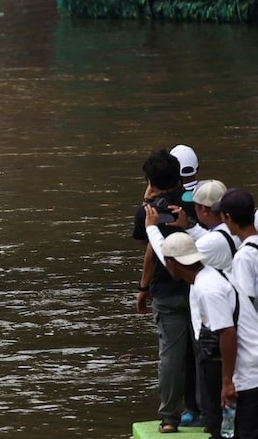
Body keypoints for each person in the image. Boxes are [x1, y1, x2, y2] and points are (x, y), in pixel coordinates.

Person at [154, 229, 258, 439]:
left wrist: (227, 383)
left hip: (246, 376)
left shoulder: (208, 288)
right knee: (220, 426)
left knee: (238, 431)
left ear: (172, 263)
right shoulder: (213, 274)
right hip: (243, 369)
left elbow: (227, 333)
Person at [135, 148, 200, 433]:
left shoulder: (148, 212)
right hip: (200, 287)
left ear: (150, 179)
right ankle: (206, 410)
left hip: (166, 291)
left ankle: (169, 418)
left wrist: (143, 288)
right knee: (204, 352)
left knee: (170, 355)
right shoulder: (193, 205)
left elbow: (151, 250)